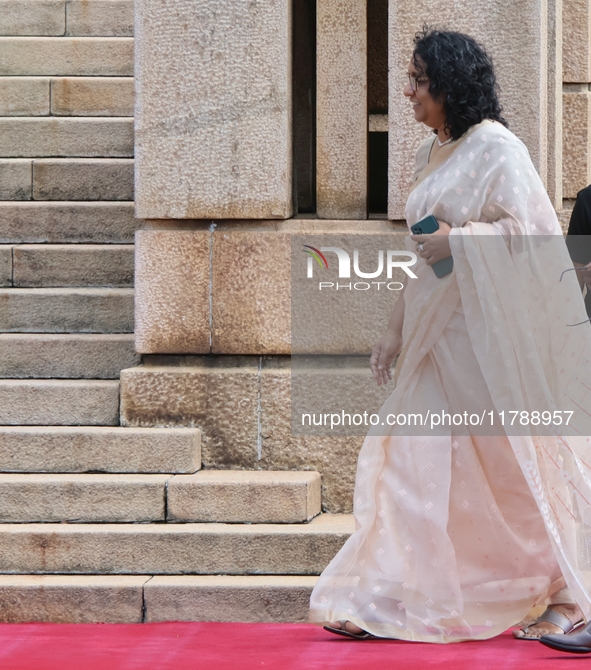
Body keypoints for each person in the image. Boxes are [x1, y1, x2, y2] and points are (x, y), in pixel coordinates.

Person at [308, 27, 591, 643]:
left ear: (449, 85)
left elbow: (533, 236)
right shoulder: (427, 154)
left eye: (418, 80)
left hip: (489, 345)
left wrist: (461, 241)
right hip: (436, 341)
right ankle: (385, 598)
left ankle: (568, 592)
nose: (406, 91)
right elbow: (423, 257)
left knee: (514, 470)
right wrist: (393, 329)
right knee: (410, 463)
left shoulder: (496, 147)